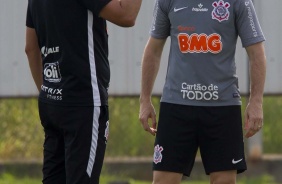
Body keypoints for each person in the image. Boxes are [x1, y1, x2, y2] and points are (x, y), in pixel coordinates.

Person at [139, 0, 266, 183]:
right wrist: (144, 100)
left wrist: (256, 102)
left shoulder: (240, 2)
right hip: (176, 105)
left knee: (224, 181)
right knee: (163, 181)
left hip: (222, 106)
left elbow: (257, 53)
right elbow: (153, 49)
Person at [25, 0, 143, 183]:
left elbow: (31, 48)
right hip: (82, 103)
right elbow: (126, 15)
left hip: (51, 102)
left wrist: (49, 91)